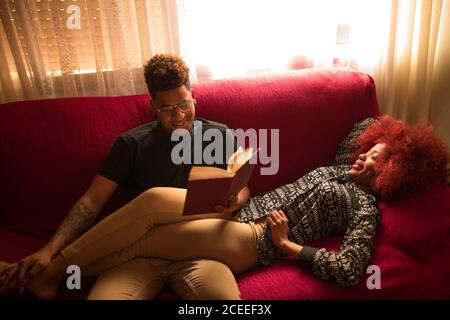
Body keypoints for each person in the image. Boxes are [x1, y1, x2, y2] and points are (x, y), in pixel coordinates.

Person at [2, 116, 449, 299]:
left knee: (155, 204)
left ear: (394, 175)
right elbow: (364, 122)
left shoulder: (364, 206)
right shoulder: (338, 169)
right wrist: (392, 139)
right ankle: (53, 273)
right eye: (368, 150)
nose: (362, 154)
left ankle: (50, 271)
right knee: (151, 243)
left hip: (252, 239)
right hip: (223, 228)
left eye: (375, 158)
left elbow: (352, 268)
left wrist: (290, 246)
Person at [0, 54, 249, 300]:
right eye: (167, 108)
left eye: (184, 104)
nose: (178, 116)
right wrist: (49, 250)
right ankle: (46, 272)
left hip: (197, 251)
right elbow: (91, 202)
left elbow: (242, 187)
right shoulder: (132, 144)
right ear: (153, 107)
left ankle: (49, 274)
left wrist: (236, 198)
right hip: (137, 258)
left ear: (193, 98)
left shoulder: (219, 135)